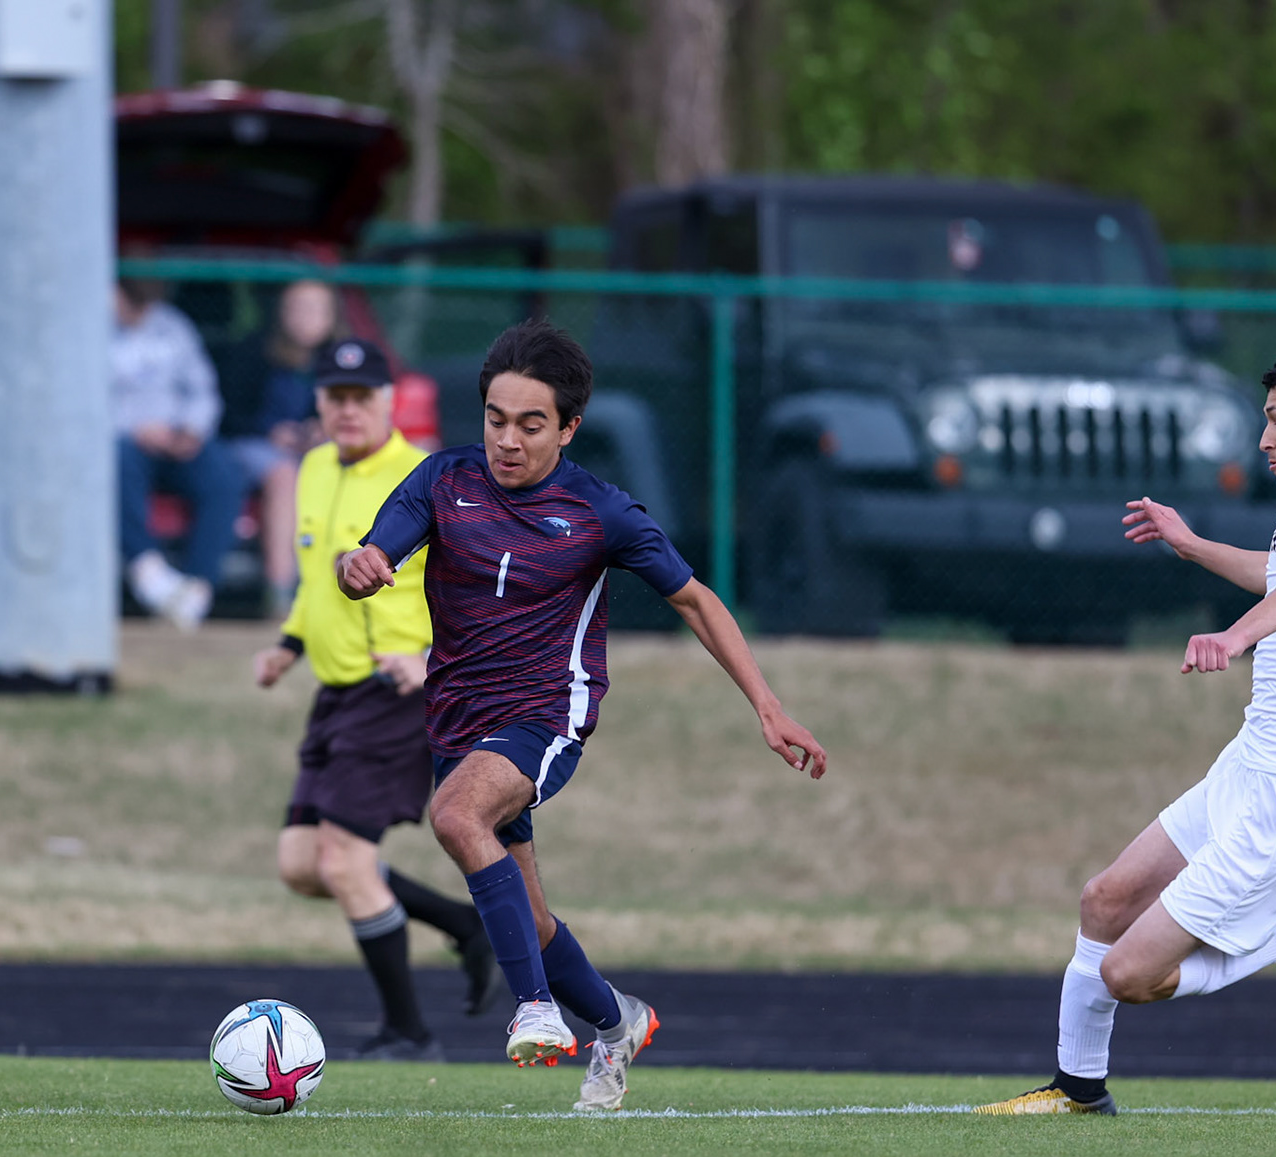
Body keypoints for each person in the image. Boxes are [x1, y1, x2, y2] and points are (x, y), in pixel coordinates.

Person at [337, 320, 829, 1110]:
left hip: (545, 714)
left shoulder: (601, 511)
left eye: (531, 424)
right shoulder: (442, 481)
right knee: (525, 922)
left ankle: (534, 1009)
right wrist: (357, 568)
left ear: (568, 427)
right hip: (458, 723)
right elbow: (369, 557)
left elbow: (696, 601)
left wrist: (768, 708)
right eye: (496, 418)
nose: (508, 439)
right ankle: (616, 1021)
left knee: (457, 818)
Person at [978, 347, 1276, 1116]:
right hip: (1253, 764)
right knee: (1104, 902)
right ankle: (1077, 1090)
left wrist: (1235, 638)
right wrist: (1192, 544)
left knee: (1130, 975)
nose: (1265, 441)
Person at [255, 337, 505, 1061]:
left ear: (390, 402)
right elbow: (313, 578)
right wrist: (289, 646)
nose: (349, 409)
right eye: (336, 396)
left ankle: (408, 1031)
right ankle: (467, 926)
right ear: (319, 405)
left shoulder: (426, 478)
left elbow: (489, 585)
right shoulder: (312, 469)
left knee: (342, 862)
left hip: (400, 693)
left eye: (363, 396)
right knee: (302, 865)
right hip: (336, 693)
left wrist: (430, 657)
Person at [111, 278, 247, 629]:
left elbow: (202, 389)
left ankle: (196, 589)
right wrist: (135, 427)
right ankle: (149, 574)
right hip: (122, 439)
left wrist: (190, 429)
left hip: (175, 438)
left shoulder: (173, 327)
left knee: (224, 473)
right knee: (115, 465)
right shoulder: (88, 329)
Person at [231, 280, 344, 614]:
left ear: (331, 316)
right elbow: (228, 416)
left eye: (315, 309)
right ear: (281, 314)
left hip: (315, 450)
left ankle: (340, 589)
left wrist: (320, 429)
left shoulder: (343, 358)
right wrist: (271, 432)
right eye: (297, 309)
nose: (305, 318)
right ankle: (281, 593)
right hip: (254, 445)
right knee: (284, 475)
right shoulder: (253, 351)